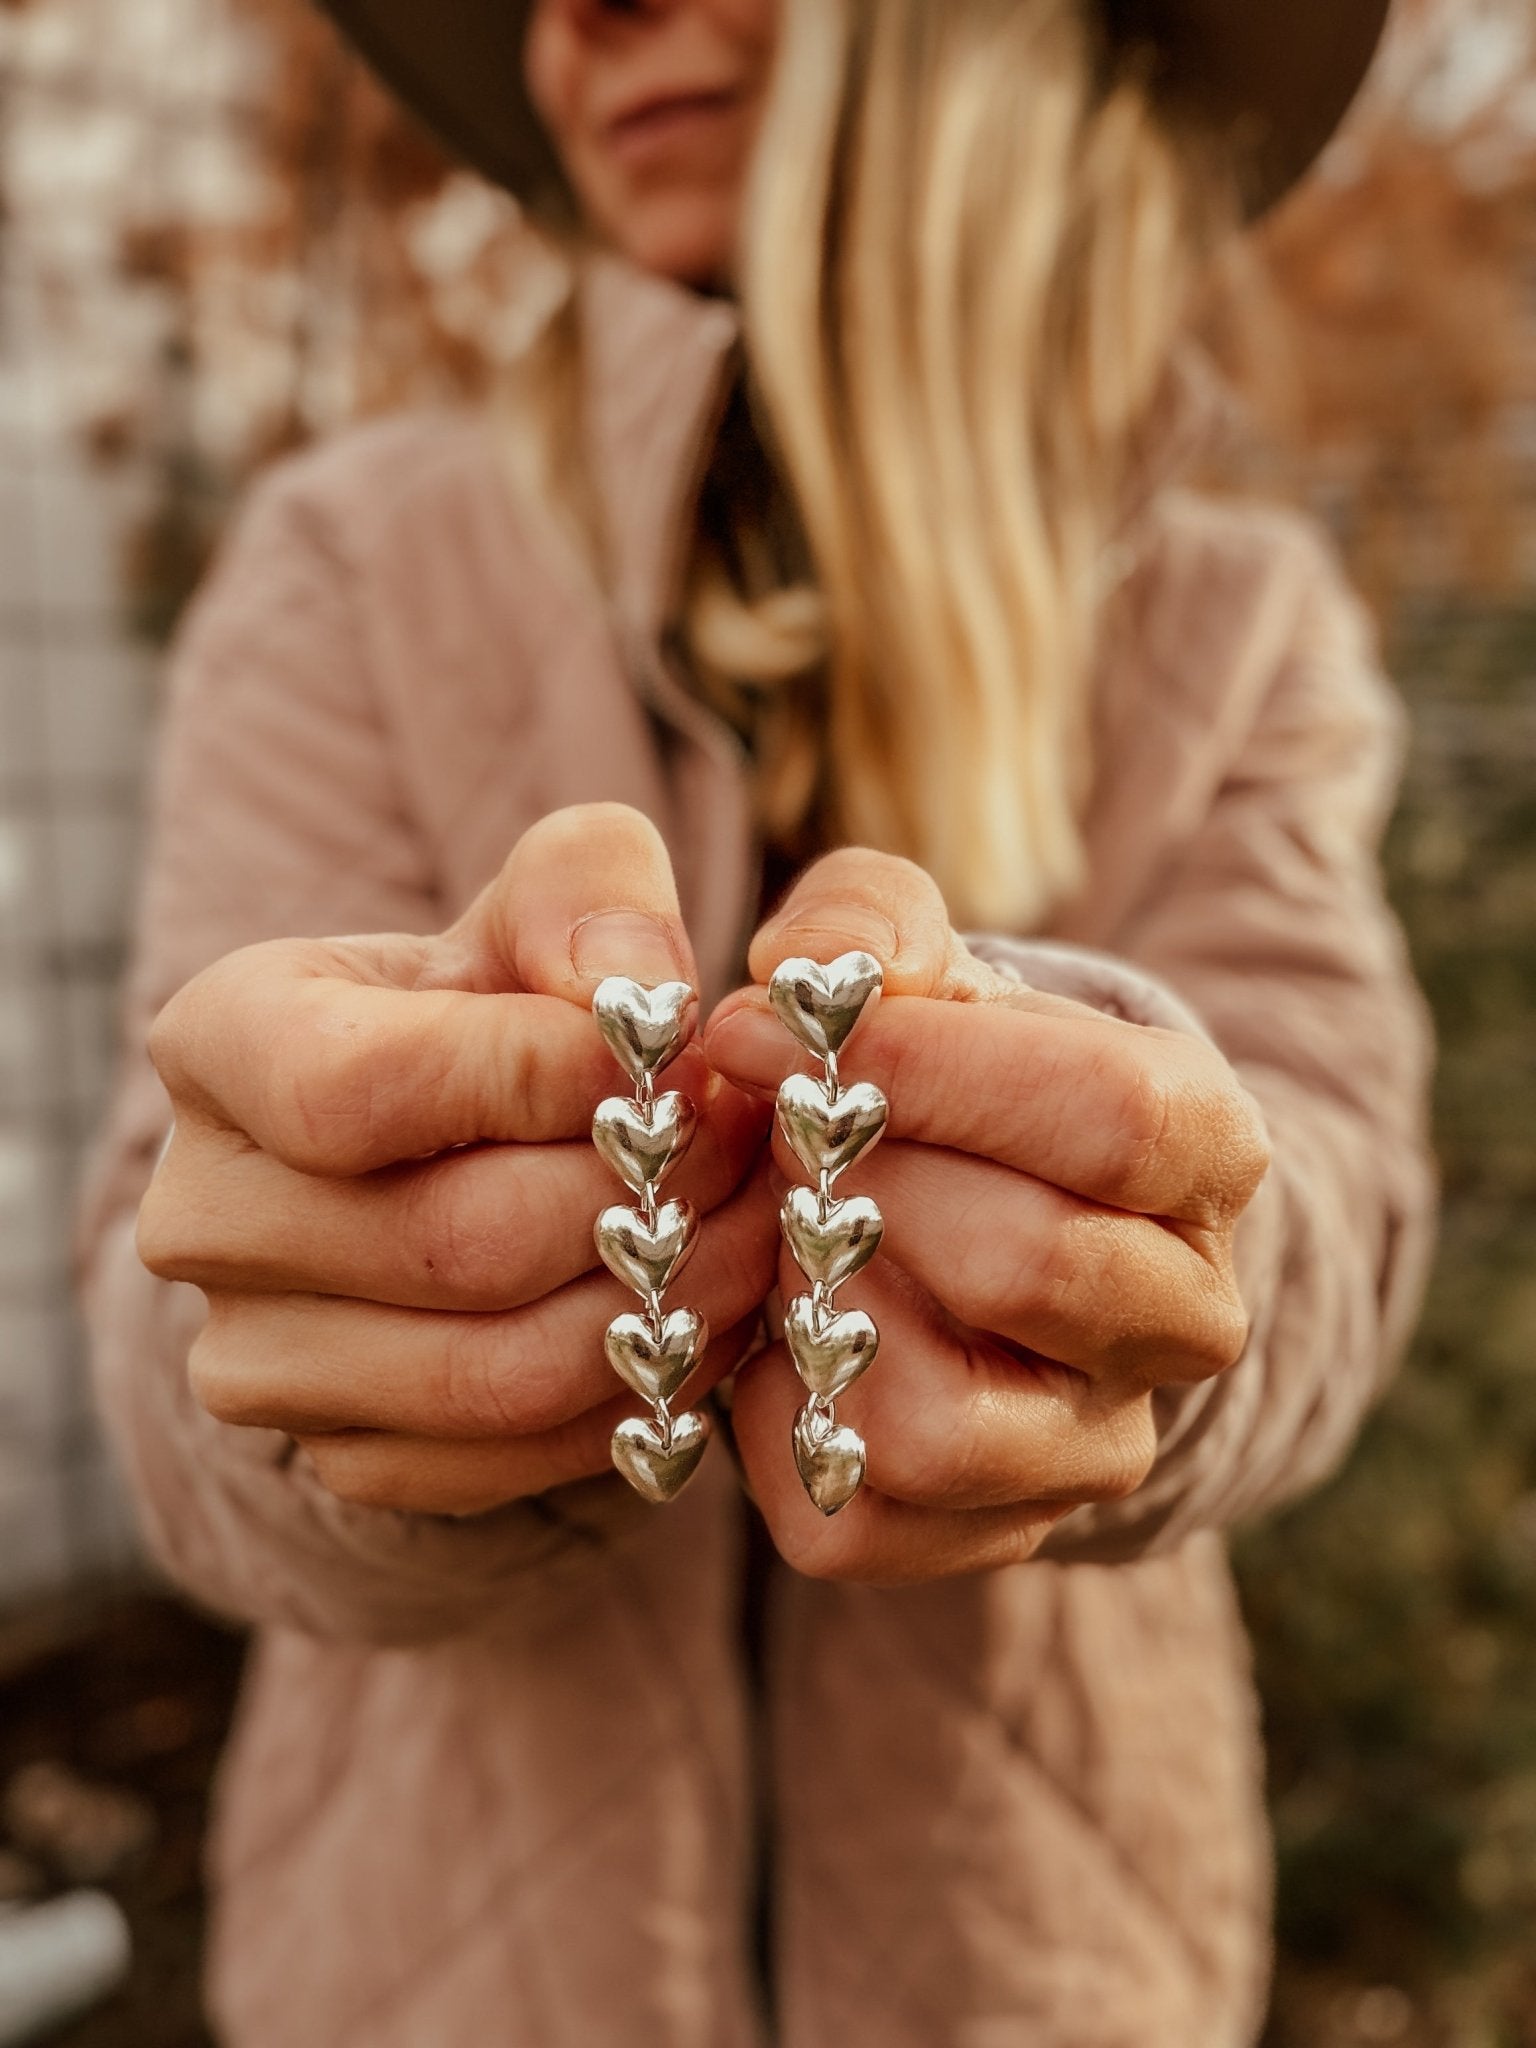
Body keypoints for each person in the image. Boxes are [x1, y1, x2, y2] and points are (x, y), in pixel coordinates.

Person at [77, 0, 1437, 2041]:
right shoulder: (351, 566)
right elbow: (163, 1296)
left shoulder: (1230, 622)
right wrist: (348, 1338)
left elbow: (1336, 1189)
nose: (585, 17)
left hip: (1043, 1963)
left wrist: (1121, 1207)